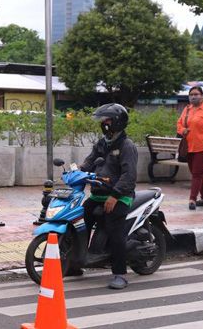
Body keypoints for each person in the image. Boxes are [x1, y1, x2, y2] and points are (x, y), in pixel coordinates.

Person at [80, 103, 138, 290]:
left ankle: (120, 274)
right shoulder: (102, 142)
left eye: (107, 120)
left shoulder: (126, 145)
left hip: (119, 196)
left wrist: (115, 196)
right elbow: (89, 162)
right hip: (98, 194)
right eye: (102, 120)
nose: (103, 123)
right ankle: (77, 262)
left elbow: (129, 176)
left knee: (115, 231)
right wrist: (77, 173)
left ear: (117, 122)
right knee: (81, 220)